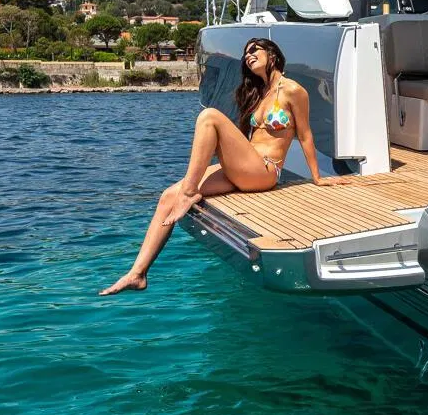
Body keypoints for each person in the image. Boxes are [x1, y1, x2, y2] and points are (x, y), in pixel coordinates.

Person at [102, 37, 342, 295]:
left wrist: (317, 177)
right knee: (167, 197)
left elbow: (305, 135)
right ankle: (137, 273)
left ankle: (189, 192)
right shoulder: (261, 92)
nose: (248, 55)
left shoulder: (293, 90)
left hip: (264, 171)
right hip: (245, 168)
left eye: (254, 50)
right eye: (245, 53)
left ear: (272, 54)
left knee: (209, 116)